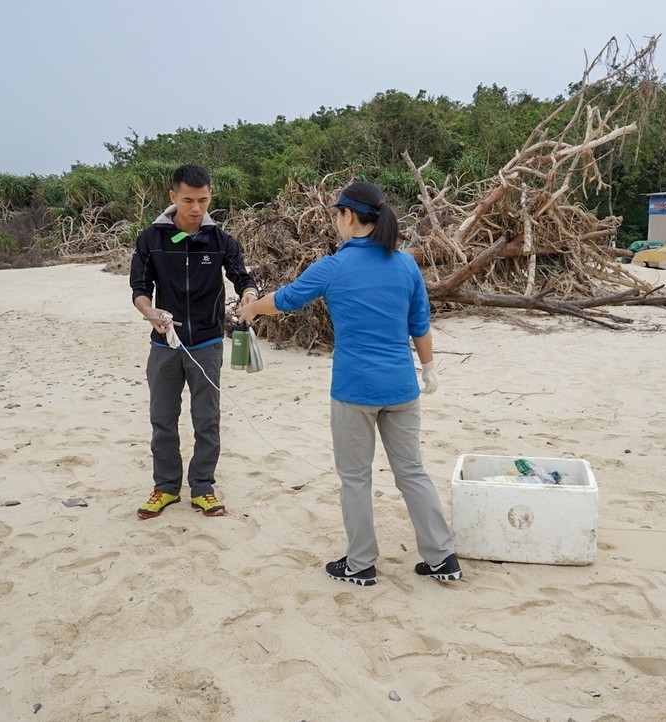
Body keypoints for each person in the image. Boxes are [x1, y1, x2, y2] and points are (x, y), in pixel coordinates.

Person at [240, 181, 461, 586]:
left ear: (350, 217)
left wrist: (251, 308)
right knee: (412, 472)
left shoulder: (333, 266)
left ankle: (360, 564)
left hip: (354, 390)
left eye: (337, 215)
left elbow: (286, 299)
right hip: (401, 388)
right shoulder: (406, 264)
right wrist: (429, 370)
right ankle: (441, 557)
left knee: (356, 478)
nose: (336, 222)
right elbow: (420, 326)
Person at [130, 163, 259, 520]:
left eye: (203, 200)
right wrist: (150, 312)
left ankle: (203, 487)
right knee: (162, 419)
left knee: (207, 420)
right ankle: (167, 487)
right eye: (188, 200)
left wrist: (249, 295)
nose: (196, 208)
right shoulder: (150, 239)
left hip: (206, 343)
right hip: (165, 344)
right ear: (173, 197)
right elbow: (139, 290)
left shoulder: (221, 240)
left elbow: (242, 277)